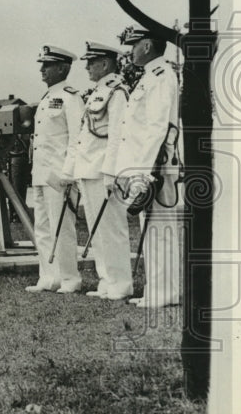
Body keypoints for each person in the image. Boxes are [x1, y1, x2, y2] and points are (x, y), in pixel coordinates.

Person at [115, 28, 182, 309]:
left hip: (155, 166)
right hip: (146, 166)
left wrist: (144, 171)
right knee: (152, 229)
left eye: (133, 44)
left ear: (146, 45)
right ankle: (156, 289)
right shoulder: (149, 76)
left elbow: (157, 126)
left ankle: (165, 292)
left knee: (160, 230)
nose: (129, 50)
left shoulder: (161, 76)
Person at [66, 41, 134, 300]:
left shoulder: (117, 92)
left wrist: (112, 172)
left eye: (91, 62)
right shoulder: (98, 92)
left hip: (104, 170)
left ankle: (121, 282)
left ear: (105, 64)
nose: (86, 67)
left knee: (111, 228)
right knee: (97, 228)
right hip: (89, 169)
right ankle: (107, 279)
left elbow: (118, 134)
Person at [27, 46, 84, 294]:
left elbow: (76, 139)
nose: (42, 70)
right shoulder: (47, 98)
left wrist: (68, 173)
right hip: (41, 174)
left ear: (62, 68)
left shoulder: (71, 98)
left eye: (47, 66)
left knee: (62, 227)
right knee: (42, 226)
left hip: (59, 175)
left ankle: (69, 278)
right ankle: (48, 277)